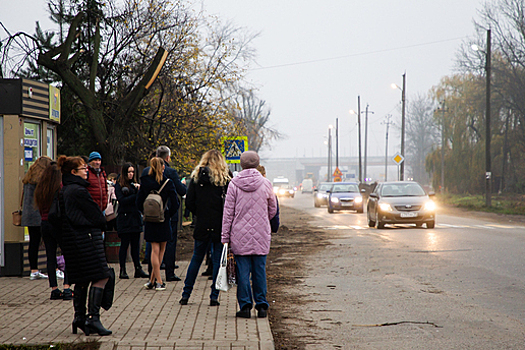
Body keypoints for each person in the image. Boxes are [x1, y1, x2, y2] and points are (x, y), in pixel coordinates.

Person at [57, 156, 112, 336]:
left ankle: (79, 317)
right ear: (73, 172)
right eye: (83, 169)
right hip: (86, 239)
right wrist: (101, 223)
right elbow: (96, 215)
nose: (86, 170)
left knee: (81, 279)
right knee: (101, 275)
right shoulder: (79, 191)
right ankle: (93, 318)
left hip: (72, 240)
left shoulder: (64, 190)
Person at [222, 151, 277, 319]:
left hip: (239, 235)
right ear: (257, 163)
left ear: (242, 164)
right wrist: (263, 221)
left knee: (243, 272)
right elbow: (273, 208)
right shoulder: (266, 183)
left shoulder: (233, 184)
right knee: (259, 271)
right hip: (261, 234)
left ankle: (245, 306)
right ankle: (261, 306)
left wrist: (225, 237)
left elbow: (228, 213)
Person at [179, 150, 231, 306]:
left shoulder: (196, 178)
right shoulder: (224, 179)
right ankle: (214, 296)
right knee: (217, 261)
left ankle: (186, 295)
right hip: (219, 224)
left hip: (201, 224)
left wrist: (199, 213)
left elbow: (189, 203)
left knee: (196, 258)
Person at [142, 146, 186, 281]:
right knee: (169, 244)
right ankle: (169, 272)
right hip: (167, 214)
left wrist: (144, 211)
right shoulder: (171, 172)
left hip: (150, 214)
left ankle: (152, 274)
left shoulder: (145, 172)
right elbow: (181, 191)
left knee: (152, 244)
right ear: (167, 158)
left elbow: (140, 197)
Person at [137, 157, 179, 291]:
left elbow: (138, 202)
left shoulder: (145, 181)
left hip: (150, 219)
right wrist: (168, 214)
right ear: (162, 167)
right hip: (163, 218)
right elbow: (175, 203)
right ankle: (159, 282)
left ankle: (152, 280)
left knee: (154, 250)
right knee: (161, 250)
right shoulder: (167, 182)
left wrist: (145, 213)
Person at [34, 161, 73, 300]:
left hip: (45, 223)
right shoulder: (60, 188)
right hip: (59, 224)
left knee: (50, 256)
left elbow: (39, 208)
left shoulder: (41, 188)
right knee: (68, 254)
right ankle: (67, 287)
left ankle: (54, 289)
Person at [114, 163, 149, 279]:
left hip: (135, 217)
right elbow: (122, 200)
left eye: (132, 172)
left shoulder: (135, 185)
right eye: (129, 172)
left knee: (135, 245)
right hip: (124, 218)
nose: (131, 174)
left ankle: (137, 268)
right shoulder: (119, 185)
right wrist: (136, 195)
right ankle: (122, 269)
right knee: (124, 245)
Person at [22, 156, 52, 280]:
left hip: (29, 214)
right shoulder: (42, 180)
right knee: (49, 242)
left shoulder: (28, 179)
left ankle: (33, 270)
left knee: (33, 242)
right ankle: (53, 268)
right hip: (40, 214)